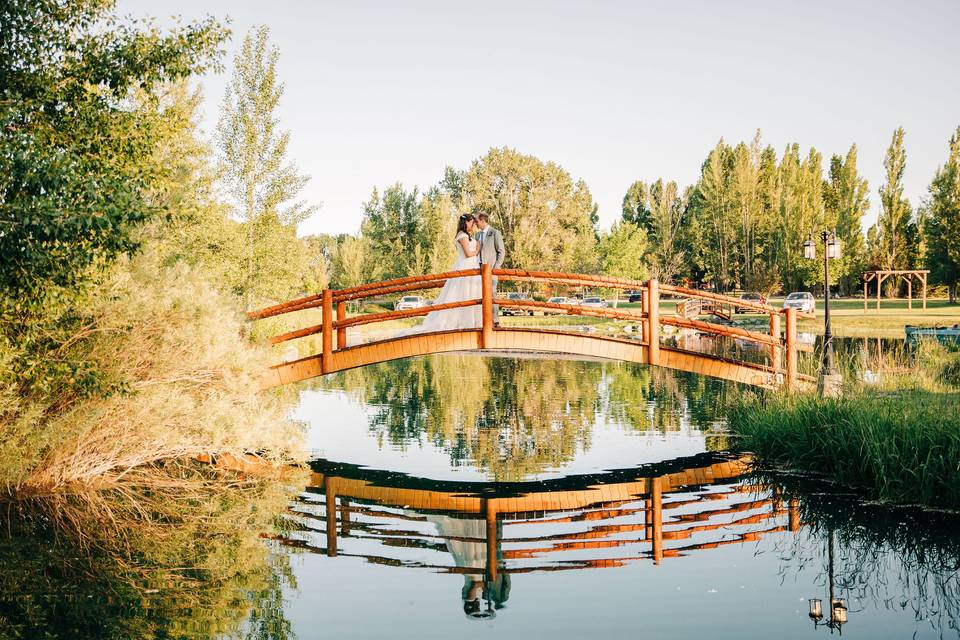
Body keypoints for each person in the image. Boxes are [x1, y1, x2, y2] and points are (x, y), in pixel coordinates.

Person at [414, 214, 482, 333]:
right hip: (466, 265)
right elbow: (468, 254)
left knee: (471, 294)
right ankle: (459, 323)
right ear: (466, 222)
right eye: (472, 223)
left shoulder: (467, 235)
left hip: (472, 265)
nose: (473, 225)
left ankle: (471, 322)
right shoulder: (462, 236)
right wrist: (478, 249)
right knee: (462, 294)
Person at [475, 213, 506, 326]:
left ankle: (496, 321)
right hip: (479, 272)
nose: (476, 224)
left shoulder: (495, 233)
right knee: (480, 295)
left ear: (483, 221)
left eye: (477, 221)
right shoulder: (477, 235)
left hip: (491, 271)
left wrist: (495, 268)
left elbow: (501, 252)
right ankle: (483, 321)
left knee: (493, 295)